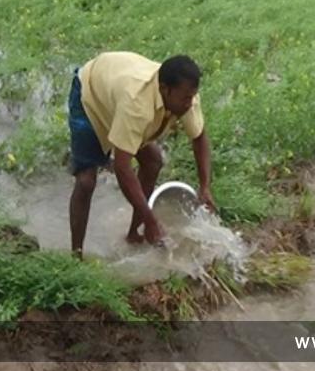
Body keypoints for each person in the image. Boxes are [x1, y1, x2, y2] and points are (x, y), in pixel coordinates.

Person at [67, 51, 215, 258]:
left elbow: (199, 138)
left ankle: (133, 234)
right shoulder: (137, 104)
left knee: (153, 162)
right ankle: (76, 257)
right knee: (86, 181)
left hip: (118, 93)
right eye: (185, 98)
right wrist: (151, 220)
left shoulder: (185, 97)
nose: (189, 104)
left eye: (192, 97)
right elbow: (122, 167)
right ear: (164, 89)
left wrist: (205, 187)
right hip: (91, 95)